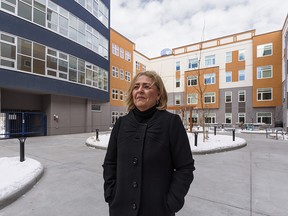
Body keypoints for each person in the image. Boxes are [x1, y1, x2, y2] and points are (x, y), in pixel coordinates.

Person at [102, 71, 195, 216]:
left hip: (157, 210)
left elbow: (185, 167)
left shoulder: (171, 123)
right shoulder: (121, 124)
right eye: (136, 87)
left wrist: (172, 202)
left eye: (146, 86)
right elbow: (110, 163)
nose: (140, 90)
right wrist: (110, 194)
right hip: (120, 209)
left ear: (158, 94)